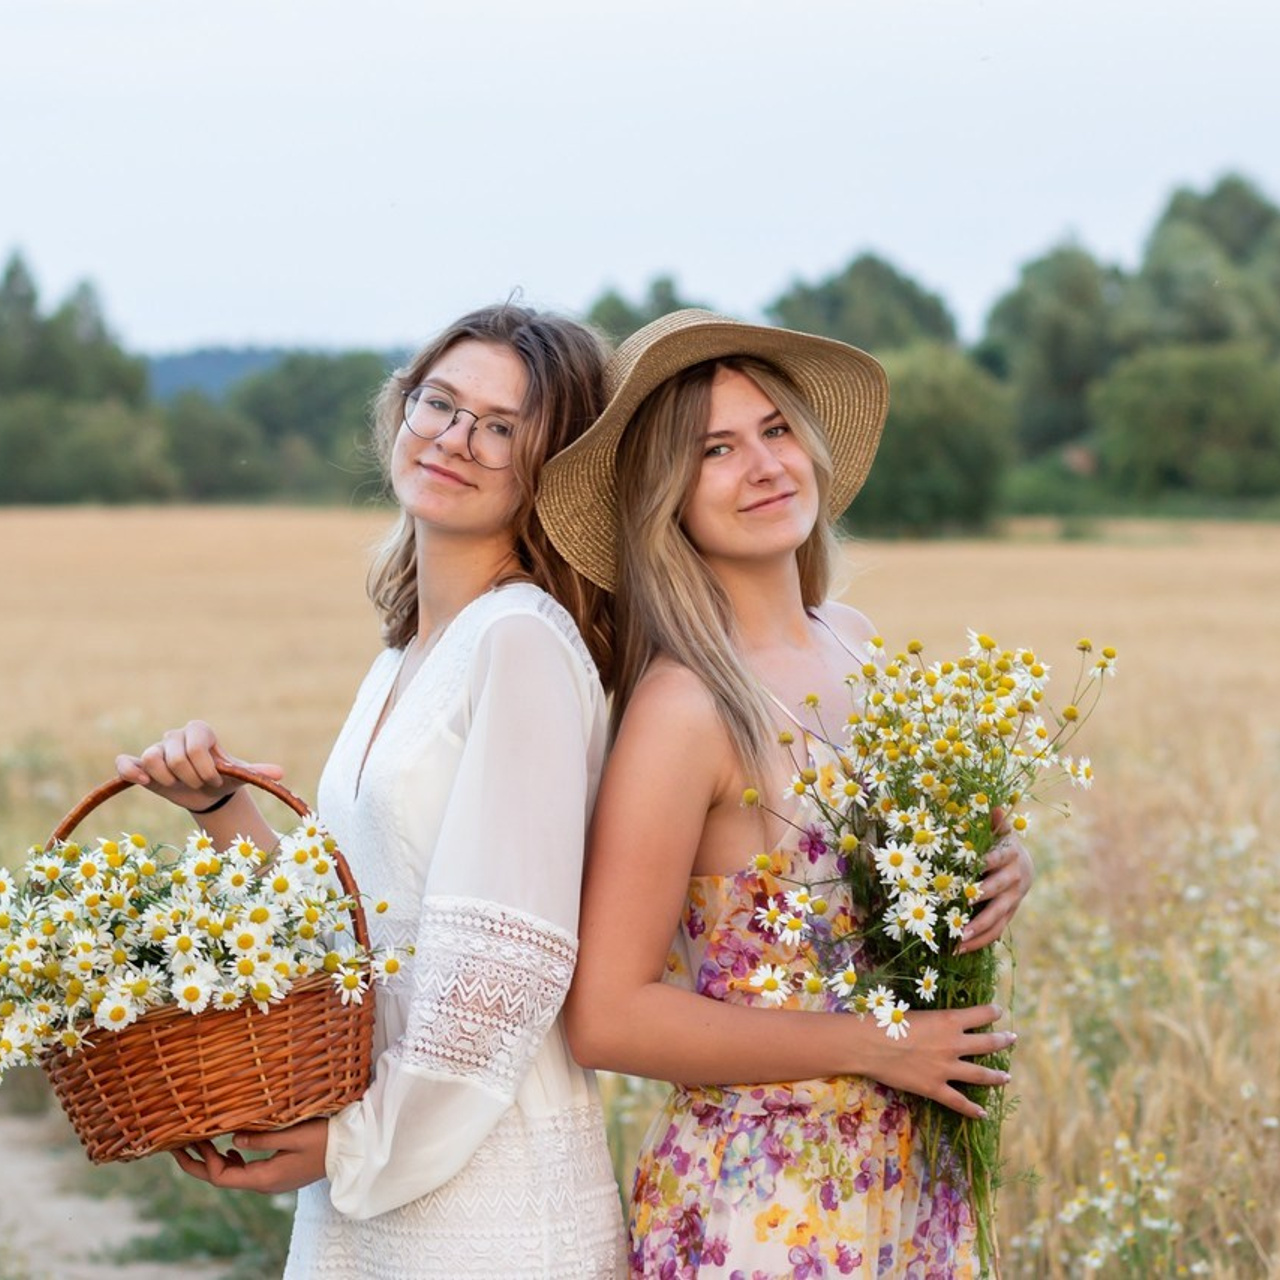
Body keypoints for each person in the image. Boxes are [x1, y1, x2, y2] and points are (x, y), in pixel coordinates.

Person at [115, 304, 626, 1279]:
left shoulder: (518, 642)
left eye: (502, 426)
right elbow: (351, 933)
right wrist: (220, 808)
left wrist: (354, 1145)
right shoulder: (405, 656)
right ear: (402, 408)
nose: (455, 438)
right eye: (440, 402)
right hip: (374, 1182)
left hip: (488, 1211)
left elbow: (501, 973)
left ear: (553, 468)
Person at [535, 310, 1033, 1277]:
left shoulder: (854, 638)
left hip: (909, 1172)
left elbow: (898, 889)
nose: (764, 466)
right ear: (664, 498)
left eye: (774, 429)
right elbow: (607, 1015)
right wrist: (876, 1046)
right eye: (715, 449)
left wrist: (1001, 866)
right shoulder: (685, 707)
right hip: (770, 1202)